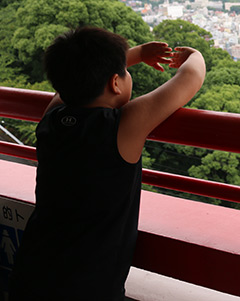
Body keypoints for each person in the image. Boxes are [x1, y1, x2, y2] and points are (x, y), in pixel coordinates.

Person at [9, 26, 206, 300]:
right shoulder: (122, 127)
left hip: (31, 272)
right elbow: (191, 77)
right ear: (115, 83)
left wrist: (134, 55)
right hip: (90, 286)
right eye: (125, 72)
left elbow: (73, 82)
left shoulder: (52, 119)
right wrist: (194, 55)